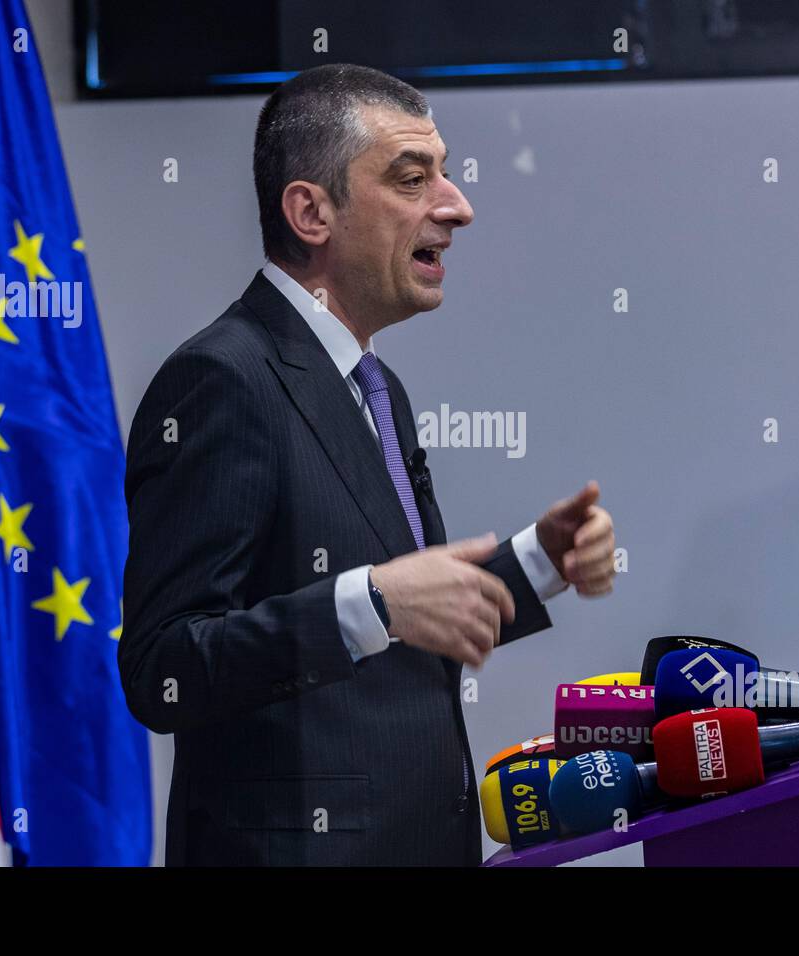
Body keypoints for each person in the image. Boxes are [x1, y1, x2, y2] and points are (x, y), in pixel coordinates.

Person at [120, 63, 617, 866]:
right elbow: (163, 668)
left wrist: (538, 563)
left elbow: (402, 620)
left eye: (445, 174)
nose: (457, 206)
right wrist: (372, 604)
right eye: (412, 178)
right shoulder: (222, 381)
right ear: (311, 211)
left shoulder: (376, 387)